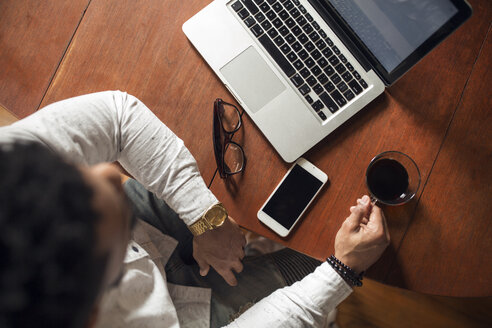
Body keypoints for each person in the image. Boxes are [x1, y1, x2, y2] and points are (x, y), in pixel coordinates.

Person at [0, 91, 389, 328]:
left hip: (143, 236)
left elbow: (117, 118)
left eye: (70, 174)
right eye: (85, 207)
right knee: (318, 263)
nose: (106, 173)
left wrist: (207, 218)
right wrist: (341, 271)